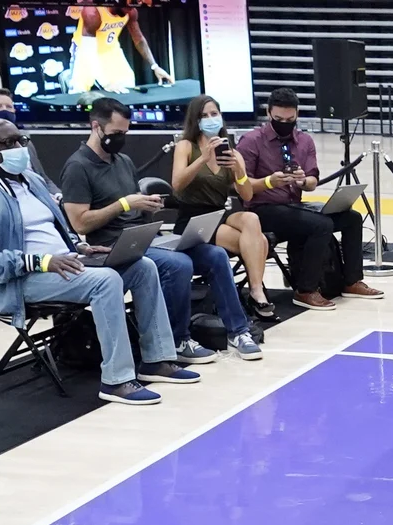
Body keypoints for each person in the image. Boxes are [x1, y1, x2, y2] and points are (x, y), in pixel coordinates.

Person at [0, 118, 200, 404]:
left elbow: (53, 228)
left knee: (142, 267)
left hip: (63, 264)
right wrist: (41, 261)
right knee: (106, 281)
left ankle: (157, 359)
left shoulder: (32, 180)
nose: (16, 148)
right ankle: (117, 379)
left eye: (19, 141)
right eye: (6, 143)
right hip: (17, 280)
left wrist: (81, 247)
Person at [63, 97, 261, 359]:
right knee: (178, 263)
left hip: (143, 236)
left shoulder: (122, 161)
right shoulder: (78, 167)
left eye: (125, 132)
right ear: (96, 127)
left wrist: (146, 206)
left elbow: (134, 205)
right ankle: (178, 339)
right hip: (111, 244)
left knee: (215, 255)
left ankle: (238, 330)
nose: (121, 137)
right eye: (116, 133)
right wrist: (123, 204)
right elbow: (79, 222)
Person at [236, 87, 384, 311]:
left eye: (290, 119)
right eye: (278, 119)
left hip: (294, 205)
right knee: (321, 225)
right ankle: (306, 290)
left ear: (297, 114)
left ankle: (351, 280)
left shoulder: (304, 141)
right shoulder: (251, 141)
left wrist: (302, 181)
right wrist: (269, 181)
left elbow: (314, 180)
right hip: (262, 209)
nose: (284, 123)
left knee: (352, 218)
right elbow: (241, 186)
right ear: (268, 113)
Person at [171, 94, 277, 319]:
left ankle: (256, 290)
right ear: (195, 121)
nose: (210, 119)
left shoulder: (232, 152)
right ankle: (256, 295)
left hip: (219, 212)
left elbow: (246, 195)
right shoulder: (186, 146)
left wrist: (239, 170)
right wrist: (202, 159)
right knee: (261, 242)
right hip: (193, 218)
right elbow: (177, 185)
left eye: (214, 114)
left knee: (251, 219)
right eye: (204, 115)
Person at [65, 4, 173, 95]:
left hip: (111, 50)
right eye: (128, 7)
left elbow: (139, 39)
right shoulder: (93, 12)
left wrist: (155, 66)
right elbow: (88, 51)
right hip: (85, 50)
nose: (130, 10)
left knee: (127, 85)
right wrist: (107, 82)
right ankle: (70, 78)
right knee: (79, 94)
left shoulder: (131, 11)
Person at [0, 87, 59, 194]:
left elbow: (43, 178)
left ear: (14, 110)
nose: (4, 110)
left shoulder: (25, 141)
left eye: (9, 106)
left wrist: (59, 197)